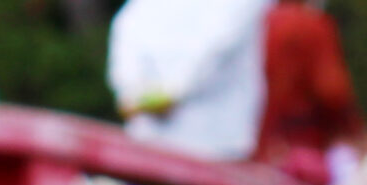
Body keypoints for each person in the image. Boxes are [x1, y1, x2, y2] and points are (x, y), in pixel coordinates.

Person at [108, 0, 274, 161]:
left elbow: (221, 43)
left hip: (218, 147)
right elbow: (128, 34)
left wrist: (171, 94)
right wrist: (132, 89)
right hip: (153, 147)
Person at [256, 0, 367, 185]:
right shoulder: (311, 25)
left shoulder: (252, 23)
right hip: (303, 150)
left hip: (258, 152)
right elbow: (332, 91)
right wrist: (355, 134)